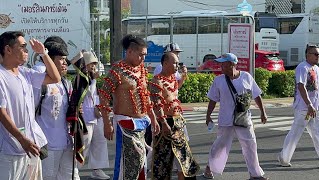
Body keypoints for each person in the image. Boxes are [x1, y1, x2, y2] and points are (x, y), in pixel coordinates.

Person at [98, 34, 160, 180]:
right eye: (141, 55)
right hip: (125, 123)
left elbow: (145, 96)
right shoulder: (117, 70)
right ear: (130, 52)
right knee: (127, 164)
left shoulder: (142, 70)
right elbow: (104, 95)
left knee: (141, 165)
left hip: (142, 123)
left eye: (145, 55)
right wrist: (107, 124)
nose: (143, 59)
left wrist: (153, 118)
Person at [0, 31, 60, 179]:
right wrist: (21, 139)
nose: (27, 50)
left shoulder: (24, 73)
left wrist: (44, 54)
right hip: (10, 149)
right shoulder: (1, 76)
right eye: (22, 46)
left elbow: (55, 78)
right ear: (8, 49)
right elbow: (2, 113)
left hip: (31, 146)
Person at [204, 53, 268, 180]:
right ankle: (209, 169)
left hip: (243, 119)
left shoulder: (246, 77)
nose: (221, 66)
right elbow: (212, 100)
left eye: (224, 63)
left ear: (232, 64)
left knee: (250, 145)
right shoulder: (219, 80)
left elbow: (256, 95)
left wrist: (263, 112)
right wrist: (208, 116)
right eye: (220, 63)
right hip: (226, 120)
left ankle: (255, 174)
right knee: (220, 146)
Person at [33, 40, 81, 180]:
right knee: (48, 177)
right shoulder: (39, 80)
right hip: (48, 145)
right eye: (61, 59)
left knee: (71, 177)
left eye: (65, 59)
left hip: (66, 143)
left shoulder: (65, 82)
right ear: (49, 60)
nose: (65, 63)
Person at [149, 52, 200, 180]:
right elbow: (157, 104)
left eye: (178, 63)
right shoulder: (156, 81)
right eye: (175, 63)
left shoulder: (173, 80)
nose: (177, 65)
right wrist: (163, 123)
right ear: (165, 63)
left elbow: (174, 96)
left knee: (185, 159)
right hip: (164, 123)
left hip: (178, 122)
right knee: (162, 160)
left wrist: (183, 76)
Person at [278, 44, 319, 167]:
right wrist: (309, 105)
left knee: (317, 133)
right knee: (295, 134)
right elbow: (301, 86)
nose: (318, 56)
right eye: (315, 54)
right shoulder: (302, 67)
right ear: (308, 54)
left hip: (315, 108)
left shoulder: (316, 68)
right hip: (304, 108)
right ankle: (284, 159)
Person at [78, 51, 110, 179]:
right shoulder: (82, 77)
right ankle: (75, 169)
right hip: (86, 116)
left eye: (94, 64)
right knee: (85, 144)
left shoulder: (92, 78)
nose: (94, 67)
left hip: (96, 114)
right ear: (84, 64)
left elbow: (95, 95)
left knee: (100, 142)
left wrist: (99, 107)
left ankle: (97, 169)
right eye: (91, 64)